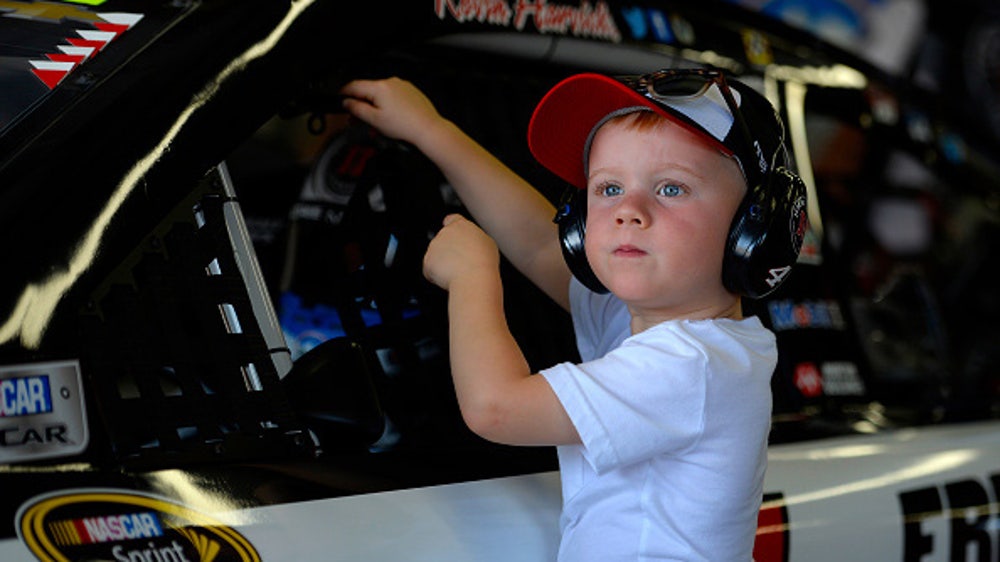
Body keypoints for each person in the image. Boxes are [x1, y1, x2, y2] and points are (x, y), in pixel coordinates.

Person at [340, 68, 806, 561]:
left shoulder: (692, 365)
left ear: (756, 230)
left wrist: (472, 276)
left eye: (671, 188)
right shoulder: (669, 329)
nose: (629, 211)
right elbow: (541, 242)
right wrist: (431, 130)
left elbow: (495, 409)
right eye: (607, 189)